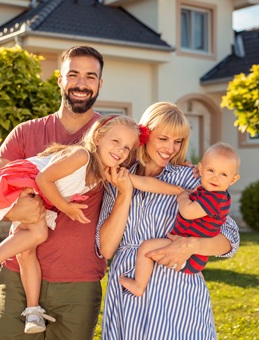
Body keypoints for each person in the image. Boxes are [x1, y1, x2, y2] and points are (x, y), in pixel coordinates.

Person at [0, 114, 181, 334]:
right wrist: (66, 207)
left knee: (27, 250)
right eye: (115, 142)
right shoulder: (81, 156)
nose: (120, 150)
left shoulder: (104, 172)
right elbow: (43, 179)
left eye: (127, 148)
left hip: (39, 195)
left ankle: (32, 311)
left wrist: (183, 191)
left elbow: (144, 183)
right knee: (37, 235)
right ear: (98, 138)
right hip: (23, 183)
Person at [0, 45, 106, 340]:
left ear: (99, 84)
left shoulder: (110, 136)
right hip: (17, 273)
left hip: (79, 281)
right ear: (60, 79)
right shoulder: (26, 132)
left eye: (90, 76)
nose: (81, 83)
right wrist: (15, 211)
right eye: (73, 74)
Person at [96, 102, 240, 340]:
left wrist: (192, 246)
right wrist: (124, 193)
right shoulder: (119, 177)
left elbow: (230, 238)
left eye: (178, 141)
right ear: (145, 134)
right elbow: (107, 249)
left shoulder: (191, 177)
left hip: (174, 290)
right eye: (163, 138)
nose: (171, 148)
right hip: (127, 288)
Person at [119, 142, 240, 296]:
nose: (215, 177)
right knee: (150, 251)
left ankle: (138, 285)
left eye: (223, 174)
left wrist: (182, 196)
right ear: (201, 169)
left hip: (190, 255)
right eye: (211, 170)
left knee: (146, 248)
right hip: (186, 249)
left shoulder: (216, 198)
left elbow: (188, 212)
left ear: (234, 179)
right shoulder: (208, 191)